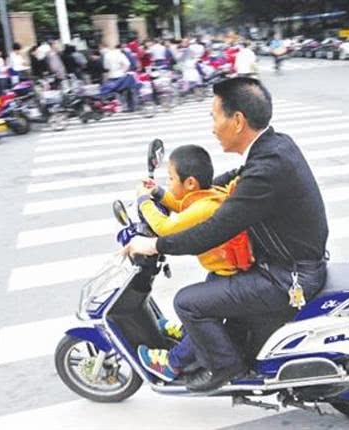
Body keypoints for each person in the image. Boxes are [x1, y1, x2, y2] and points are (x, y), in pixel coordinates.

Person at [123, 77, 329, 391]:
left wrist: (153, 244)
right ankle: (195, 346)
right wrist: (171, 194)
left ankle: (224, 367)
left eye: (214, 116)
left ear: (237, 121)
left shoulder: (266, 169)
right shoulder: (273, 147)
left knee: (188, 302)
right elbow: (223, 183)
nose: (212, 126)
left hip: (287, 278)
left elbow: (214, 230)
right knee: (213, 284)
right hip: (282, 265)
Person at [134, 144, 255, 381]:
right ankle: (187, 333)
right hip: (225, 271)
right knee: (200, 311)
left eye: (170, 179)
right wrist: (158, 193)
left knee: (197, 309)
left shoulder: (204, 207)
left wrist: (143, 201)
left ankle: (172, 363)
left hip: (229, 275)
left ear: (190, 183)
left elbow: (164, 229)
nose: (168, 183)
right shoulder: (209, 194)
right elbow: (182, 205)